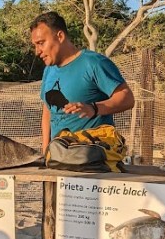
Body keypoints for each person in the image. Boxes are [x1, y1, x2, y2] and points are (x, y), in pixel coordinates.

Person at [30, 11, 135, 151]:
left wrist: (94, 108)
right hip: (59, 157)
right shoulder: (49, 70)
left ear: (60, 36)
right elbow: (48, 110)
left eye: (41, 43)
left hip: (92, 159)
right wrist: (45, 150)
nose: (37, 51)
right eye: (35, 45)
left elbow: (127, 98)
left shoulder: (94, 63)